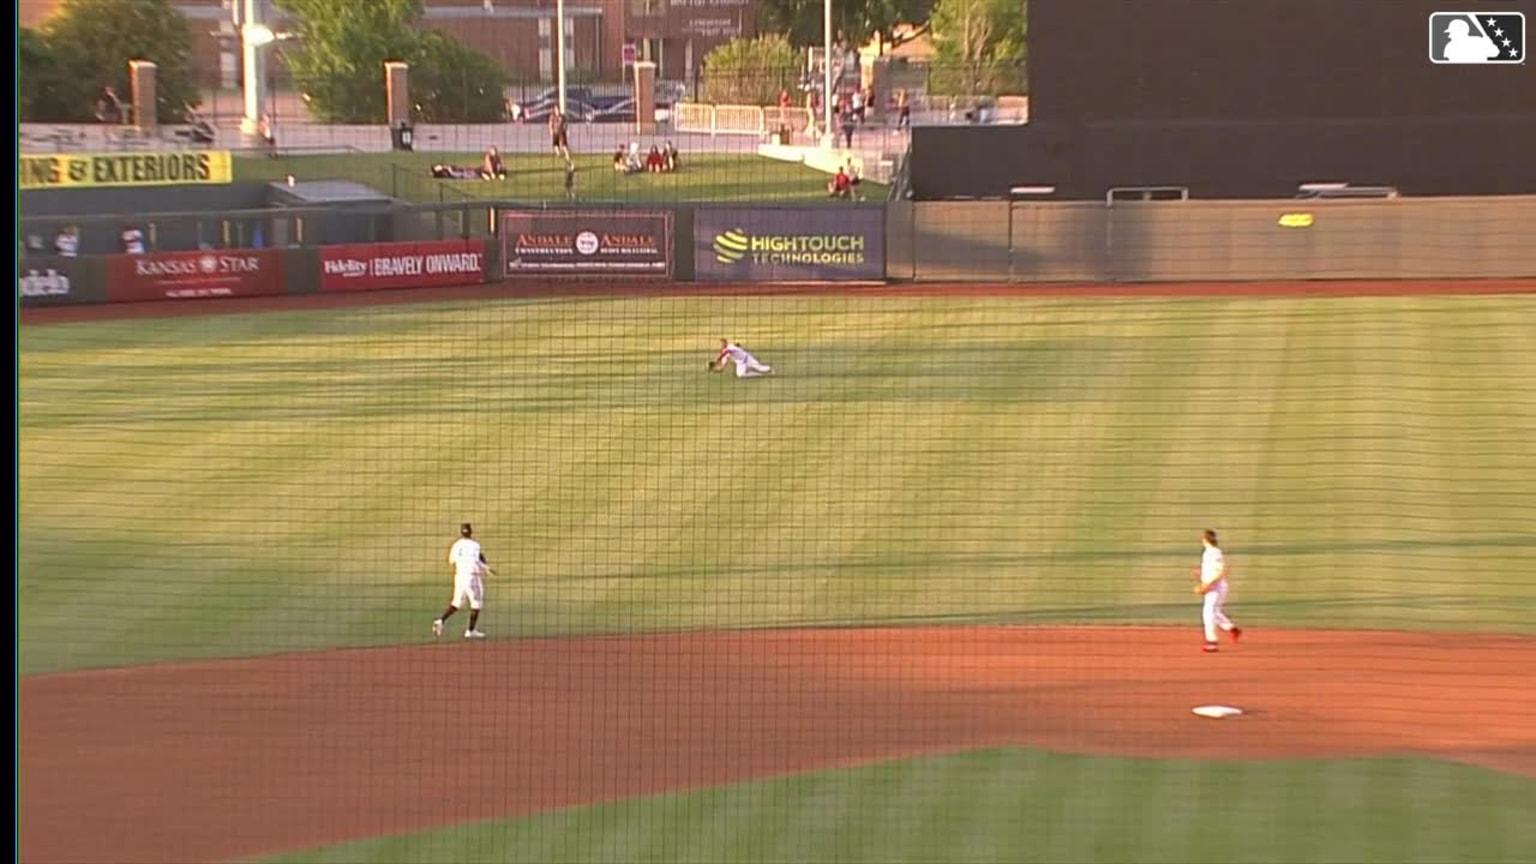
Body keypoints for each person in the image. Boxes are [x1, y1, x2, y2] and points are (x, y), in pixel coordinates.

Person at [434, 523, 492, 639]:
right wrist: (485, 568)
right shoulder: (475, 545)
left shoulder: (456, 545)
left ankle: (440, 620)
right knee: (476, 604)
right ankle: (470, 631)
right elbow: (475, 560)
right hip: (472, 577)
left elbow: (452, 561)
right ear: (471, 532)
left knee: (456, 603)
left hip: (459, 577)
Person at [1193, 529, 1242, 652]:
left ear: (1205, 539)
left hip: (1216, 588)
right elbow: (1211, 569)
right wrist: (1201, 573)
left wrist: (1207, 585)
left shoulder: (1214, 553)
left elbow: (1221, 572)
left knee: (1208, 613)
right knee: (1215, 612)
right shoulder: (1207, 552)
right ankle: (1233, 629)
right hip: (1212, 588)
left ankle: (1212, 642)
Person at [709, 338, 774, 378]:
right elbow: (724, 360)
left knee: (760, 368)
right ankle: (760, 375)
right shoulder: (726, 350)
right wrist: (720, 368)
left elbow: (725, 354)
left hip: (747, 358)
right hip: (741, 363)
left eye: (723, 343)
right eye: (721, 344)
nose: (722, 345)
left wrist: (716, 361)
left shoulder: (729, 347)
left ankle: (770, 369)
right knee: (740, 375)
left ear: (726, 343)